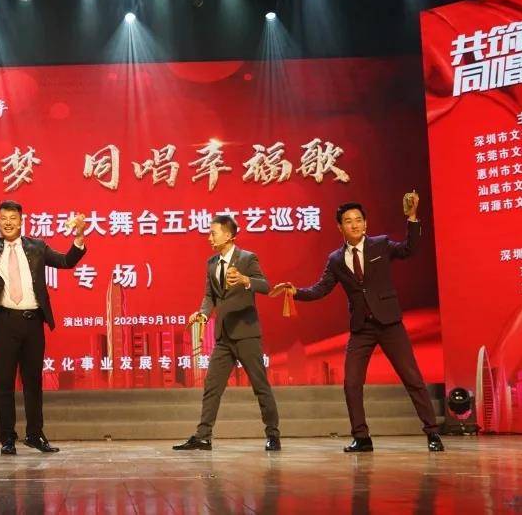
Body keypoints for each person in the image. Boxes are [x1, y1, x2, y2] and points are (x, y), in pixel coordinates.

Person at [273, 192, 444, 452]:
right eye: (348, 221)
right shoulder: (336, 259)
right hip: (361, 327)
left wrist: (411, 218)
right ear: (339, 227)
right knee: (351, 383)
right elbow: (321, 289)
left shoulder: (381, 245)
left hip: (389, 323)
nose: (354, 225)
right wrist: (296, 292)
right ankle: (361, 437)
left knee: (412, 378)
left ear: (365, 224)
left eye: (358, 220)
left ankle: (432, 433)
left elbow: (409, 249)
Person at [0, 190, 87, 455]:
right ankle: (7, 439)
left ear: (21, 221)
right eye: (3, 218)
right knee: (3, 383)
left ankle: (35, 435)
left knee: (33, 382)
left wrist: (79, 237)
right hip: (4, 322)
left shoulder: (37, 247)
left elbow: (66, 261)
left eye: (13, 218)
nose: (8, 223)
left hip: (33, 322)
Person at [173, 215, 281, 452]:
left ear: (229, 235)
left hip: (246, 333)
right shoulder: (212, 263)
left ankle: (273, 435)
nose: (209, 237)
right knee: (212, 385)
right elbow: (209, 296)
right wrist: (203, 314)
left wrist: (244, 279)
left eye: (213, 233)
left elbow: (265, 286)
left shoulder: (247, 258)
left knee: (260, 385)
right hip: (223, 336)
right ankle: (203, 436)